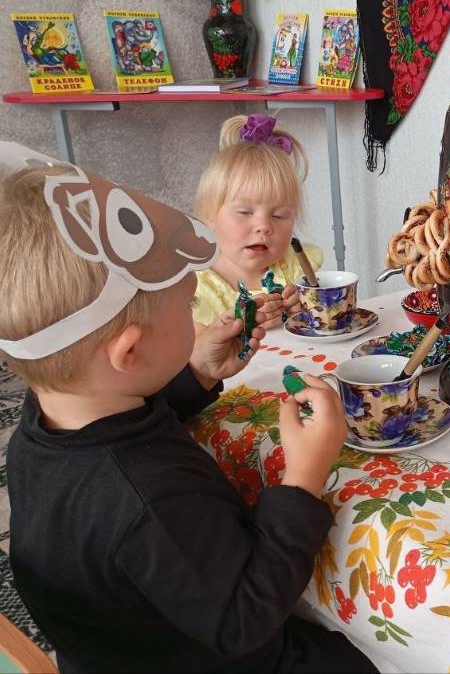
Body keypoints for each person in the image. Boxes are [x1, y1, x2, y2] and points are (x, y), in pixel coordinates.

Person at [0, 165, 376, 672]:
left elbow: (124, 427)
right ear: (130, 351)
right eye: (186, 306)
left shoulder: (44, 423)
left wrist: (195, 372)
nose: (193, 315)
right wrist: (304, 478)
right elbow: (245, 617)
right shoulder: (149, 500)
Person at [192, 113, 324, 328]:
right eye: (244, 212)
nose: (264, 226)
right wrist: (239, 329)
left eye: (279, 215)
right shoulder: (195, 288)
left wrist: (303, 311)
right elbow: (194, 347)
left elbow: (322, 321)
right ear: (209, 215)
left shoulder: (295, 267)